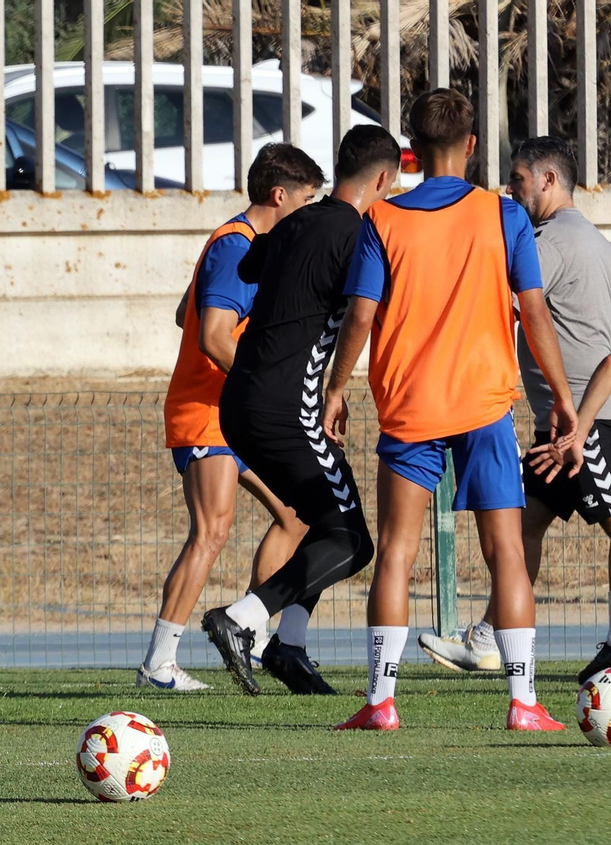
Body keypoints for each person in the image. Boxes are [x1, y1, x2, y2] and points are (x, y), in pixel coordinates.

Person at [325, 89, 577, 732]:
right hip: (485, 404)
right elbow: (535, 310)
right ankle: (523, 704)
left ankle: (381, 702)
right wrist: (564, 395)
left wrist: (334, 388)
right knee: (508, 555)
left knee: (397, 554)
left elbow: (361, 315)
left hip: (410, 405)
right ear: (471, 145)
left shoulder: (383, 220)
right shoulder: (504, 217)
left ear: (411, 149)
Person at [206, 126, 403, 695]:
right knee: (352, 540)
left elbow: (250, 269)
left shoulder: (292, 222)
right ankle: (244, 621)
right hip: (286, 406)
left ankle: (290, 648)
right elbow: (368, 313)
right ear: (384, 179)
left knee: (324, 523)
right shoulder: (361, 235)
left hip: (240, 397)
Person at [416, 136, 611, 686]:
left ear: (548, 181)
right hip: (565, 423)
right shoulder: (589, 238)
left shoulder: (549, 240)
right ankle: (487, 639)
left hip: (589, 426)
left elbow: (500, 300)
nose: (509, 188)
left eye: (519, 180)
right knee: (522, 526)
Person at [148, 143, 321, 691]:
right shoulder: (236, 246)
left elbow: (186, 312)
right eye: (308, 199)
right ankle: (158, 663)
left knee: (297, 515)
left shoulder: (246, 246)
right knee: (211, 531)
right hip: (205, 414)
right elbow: (211, 335)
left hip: (233, 413)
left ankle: (251, 628)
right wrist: (261, 384)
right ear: (279, 195)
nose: (312, 210)